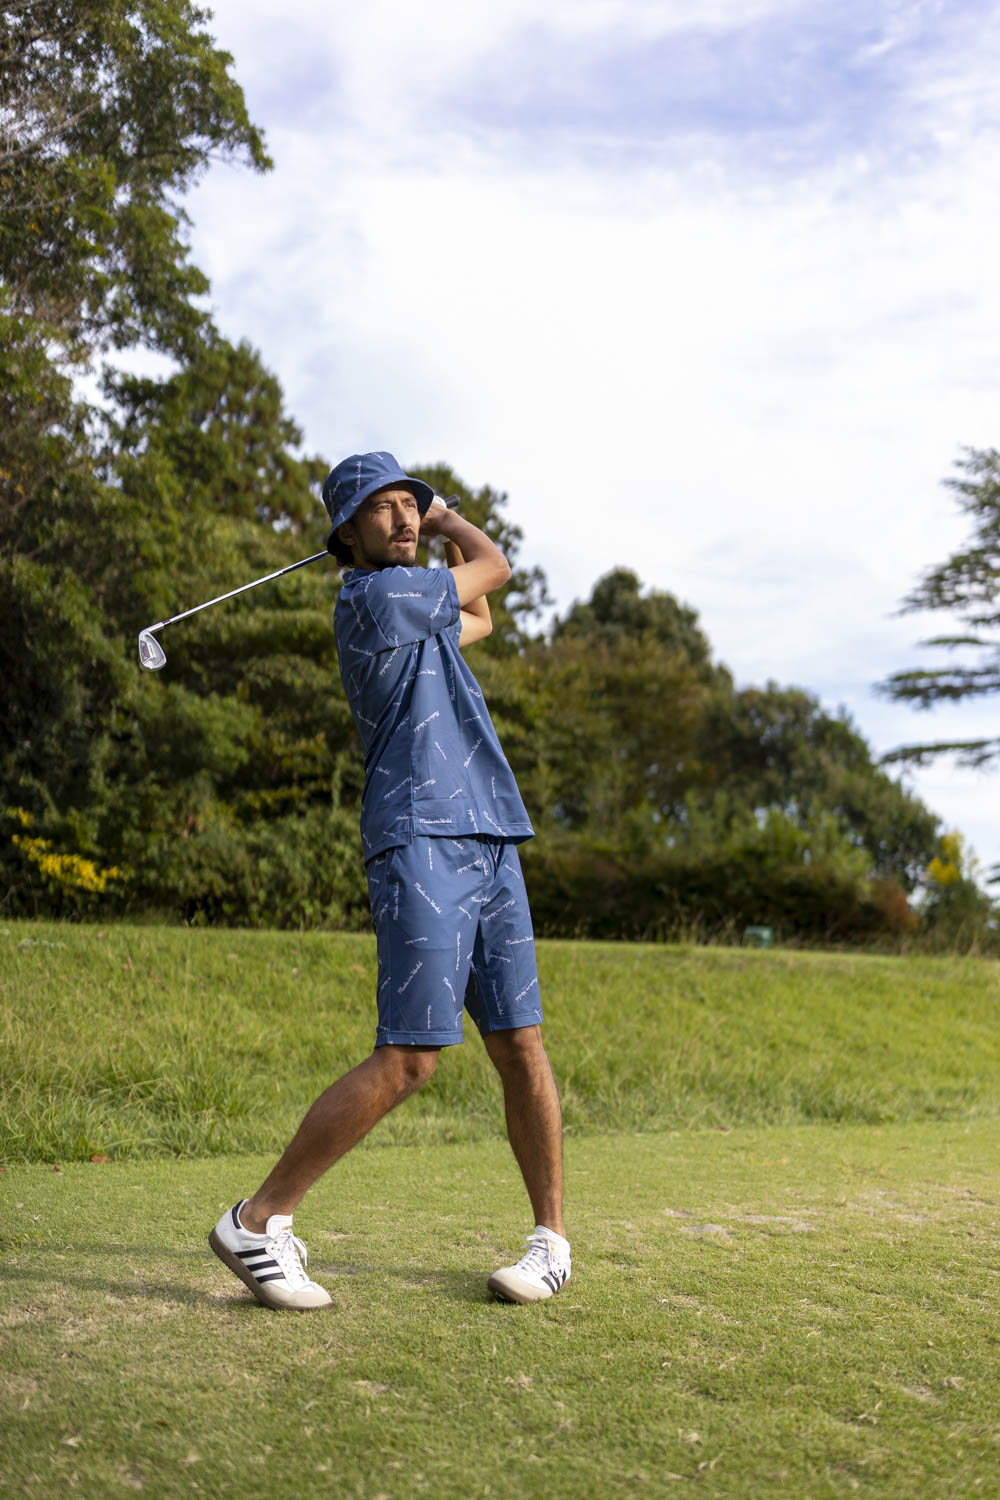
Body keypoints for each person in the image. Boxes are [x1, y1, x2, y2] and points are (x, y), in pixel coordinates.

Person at [209, 451, 570, 1310]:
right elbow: (495, 569)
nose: (403, 518)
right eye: (384, 510)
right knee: (411, 1056)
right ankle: (256, 1223)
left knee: (520, 1041)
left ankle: (551, 1241)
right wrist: (447, 518)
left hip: (489, 833)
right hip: (421, 837)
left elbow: (475, 607)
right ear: (347, 534)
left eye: (410, 504)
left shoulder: (420, 609)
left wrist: (435, 529)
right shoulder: (374, 599)